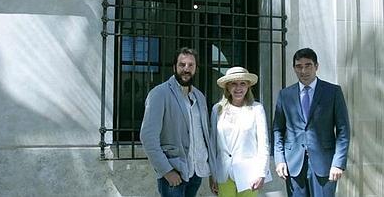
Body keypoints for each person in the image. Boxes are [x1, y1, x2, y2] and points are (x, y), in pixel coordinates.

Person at [273, 48, 350, 196]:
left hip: (325, 165)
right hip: (293, 165)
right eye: (299, 66)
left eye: (308, 65)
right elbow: (278, 129)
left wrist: (338, 163)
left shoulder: (333, 92)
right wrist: (279, 159)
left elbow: (343, 130)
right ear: (294, 68)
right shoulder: (285, 95)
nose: (303, 71)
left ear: (316, 66)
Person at [140, 47, 214, 197]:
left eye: (190, 65)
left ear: (196, 69)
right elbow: (148, 137)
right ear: (174, 67)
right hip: (174, 173)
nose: (186, 69)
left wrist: (211, 168)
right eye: (182, 65)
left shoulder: (199, 97)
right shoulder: (159, 93)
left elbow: (205, 135)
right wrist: (166, 171)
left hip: (196, 172)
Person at [209, 67, 270, 196]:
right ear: (227, 87)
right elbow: (212, 145)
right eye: (234, 83)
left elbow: (263, 144)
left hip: (249, 175)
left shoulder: (257, 109)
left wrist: (261, 173)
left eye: (242, 83)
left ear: (248, 86)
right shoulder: (217, 109)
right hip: (223, 174)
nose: (238, 88)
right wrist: (212, 175)